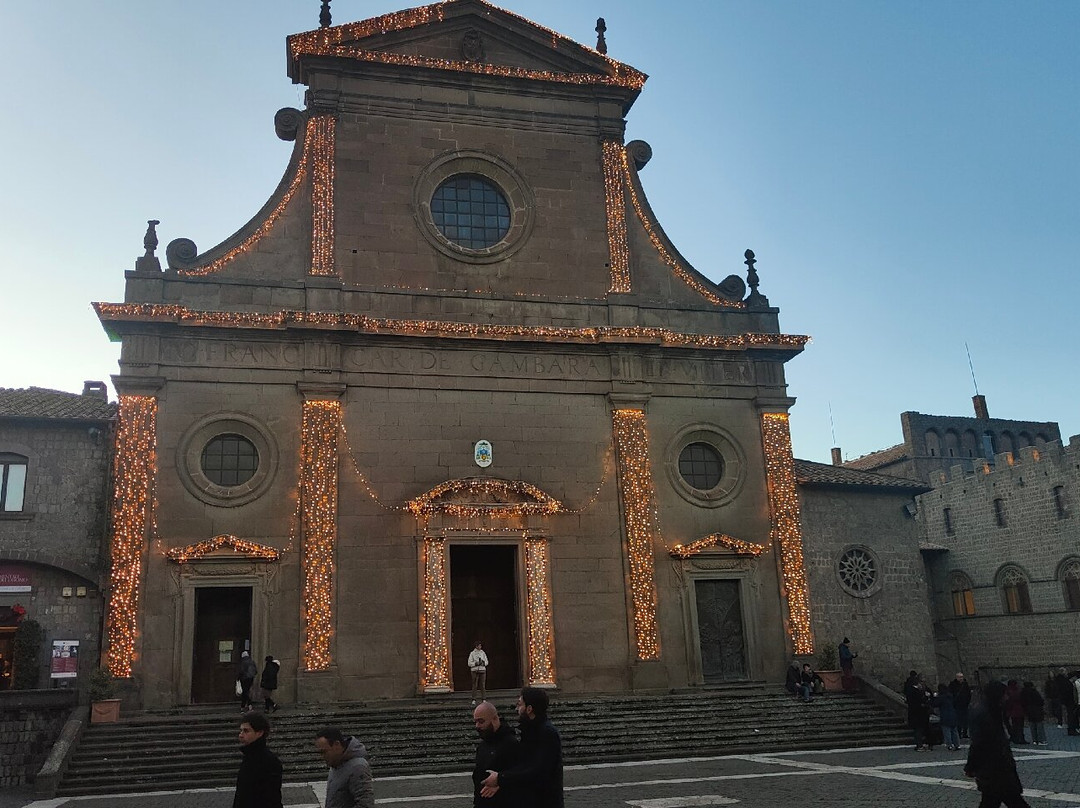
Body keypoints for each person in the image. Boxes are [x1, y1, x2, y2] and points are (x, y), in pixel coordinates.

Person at [480, 687, 563, 807]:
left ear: (529, 709)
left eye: (520, 705)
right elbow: (523, 765)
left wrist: (500, 778)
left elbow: (537, 770)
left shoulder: (547, 733)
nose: (517, 709)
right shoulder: (530, 731)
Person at [964, 680, 1032, 808]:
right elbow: (979, 743)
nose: (1007, 697)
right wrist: (971, 766)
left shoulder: (991, 710)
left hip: (995, 770)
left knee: (993, 801)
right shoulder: (986, 714)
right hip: (996, 769)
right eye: (1004, 694)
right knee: (1013, 801)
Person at [472, 700, 519, 806]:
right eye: (475, 722)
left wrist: (501, 782)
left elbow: (520, 775)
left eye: (481, 721)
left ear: (494, 719)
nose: (477, 726)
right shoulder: (483, 746)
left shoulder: (511, 744)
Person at [233, 711, 283, 808]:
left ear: (259, 733)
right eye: (241, 731)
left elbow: (271, 798)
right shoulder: (249, 757)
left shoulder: (268, 761)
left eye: (246, 731)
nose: (241, 735)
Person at [315, 727, 375, 808]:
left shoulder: (358, 767)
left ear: (337, 744)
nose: (322, 756)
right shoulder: (335, 765)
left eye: (324, 752)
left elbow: (365, 804)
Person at [905, 670, 932, 751]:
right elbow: (918, 702)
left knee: (921, 729)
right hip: (918, 714)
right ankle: (920, 745)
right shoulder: (915, 691)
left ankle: (923, 744)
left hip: (919, 713)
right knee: (919, 730)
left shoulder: (916, 690)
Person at [935, 681, 960, 751]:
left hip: (945, 715)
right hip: (953, 714)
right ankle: (957, 744)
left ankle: (949, 745)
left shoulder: (941, 697)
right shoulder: (950, 696)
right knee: (954, 731)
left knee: (947, 731)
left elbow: (935, 703)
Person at [1020, 681, 1046, 746]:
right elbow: (1040, 701)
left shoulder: (1023, 692)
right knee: (1039, 725)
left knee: (1032, 725)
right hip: (1037, 710)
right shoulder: (1034, 692)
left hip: (1028, 710)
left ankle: (1034, 740)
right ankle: (1041, 740)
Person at [1053, 668, 1077, 734]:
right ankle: (1071, 729)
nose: (1067, 673)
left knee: (1070, 714)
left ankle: (1071, 729)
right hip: (1068, 700)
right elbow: (1067, 689)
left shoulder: (1059, 679)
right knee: (1071, 715)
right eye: (1065, 672)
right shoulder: (1062, 680)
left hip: (1065, 700)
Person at [951, 672, 974, 739]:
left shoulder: (965, 684)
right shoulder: (953, 685)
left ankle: (964, 732)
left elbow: (968, 694)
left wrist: (968, 701)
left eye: (962, 677)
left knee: (965, 720)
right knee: (958, 720)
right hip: (957, 705)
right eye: (960, 677)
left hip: (965, 705)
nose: (961, 678)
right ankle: (959, 732)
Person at [1004, 680, 1027, 744]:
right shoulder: (1018, 691)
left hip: (1013, 711)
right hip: (1019, 710)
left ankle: (1016, 738)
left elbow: (1008, 702)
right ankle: (1020, 738)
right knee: (1020, 725)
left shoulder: (1008, 691)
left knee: (1015, 725)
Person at [468, 640, 489, 706]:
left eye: (480, 645)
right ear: (476, 646)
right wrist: (475, 663)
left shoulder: (483, 653)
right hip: (474, 671)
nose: (480, 646)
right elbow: (469, 663)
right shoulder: (472, 653)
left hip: (482, 670)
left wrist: (483, 663)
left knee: (482, 685)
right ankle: (474, 699)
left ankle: (484, 699)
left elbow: (487, 662)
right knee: (475, 685)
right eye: (479, 645)